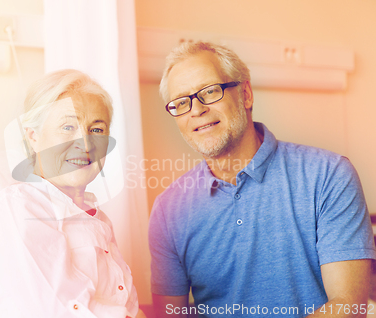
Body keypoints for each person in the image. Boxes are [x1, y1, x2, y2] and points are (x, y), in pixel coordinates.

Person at [148, 41, 376, 318]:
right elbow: (169, 315)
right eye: (181, 103)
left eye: (209, 91)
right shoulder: (167, 210)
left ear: (245, 94)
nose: (196, 110)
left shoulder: (329, 175)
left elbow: (349, 305)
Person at [0, 69, 144, 318]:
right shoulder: (19, 209)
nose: (85, 144)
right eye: (67, 127)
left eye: (96, 130)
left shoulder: (100, 220)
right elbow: (58, 309)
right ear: (33, 137)